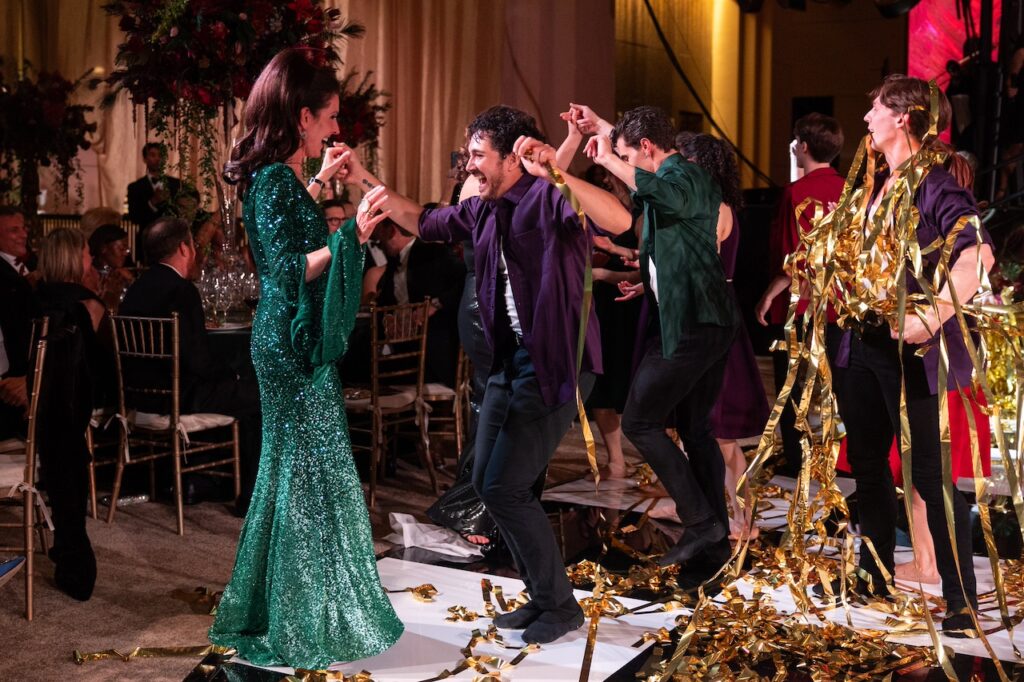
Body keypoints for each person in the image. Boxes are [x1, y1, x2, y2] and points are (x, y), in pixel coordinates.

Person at [341, 104, 601, 645]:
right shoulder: (482, 210)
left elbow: (588, 206)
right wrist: (361, 175)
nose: (468, 167)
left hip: (554, 363)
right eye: (468, 155)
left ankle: (558, 605)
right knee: (486, 481)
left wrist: (565, 151)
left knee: (505, 486)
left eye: (478, 156)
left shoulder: (547, 200)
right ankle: (545, 595)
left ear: (512, 158)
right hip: (509, 365)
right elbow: (422, 220)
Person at [207, 48, 402, 668]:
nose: (334, 130)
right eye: (328, 119)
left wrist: (321, 183)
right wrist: (354, 234)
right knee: (304, 472)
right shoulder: (268, 181)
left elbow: (294, 224)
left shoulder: (283, 180)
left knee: (298, 469)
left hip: (290, 340)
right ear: (300, 117)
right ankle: (294, 614)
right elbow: (286, 269)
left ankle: (287, 602)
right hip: (286, 346)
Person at [520, 105, 738, 579]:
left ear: (646, 149)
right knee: (696, 429)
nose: (619, 164)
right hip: (702, 319)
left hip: (695, 325)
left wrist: (605, 155)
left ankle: (700, 521)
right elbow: (643, 225)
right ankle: (714, 536)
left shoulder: (689, 175)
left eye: (626, 154)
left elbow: (657, 193)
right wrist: (572, 159)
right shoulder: (671, 183)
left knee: (641, 421)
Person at [822, 75, 993, 638]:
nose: (866, 117)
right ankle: (872, 574)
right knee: (867, 466)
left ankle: (961, 598)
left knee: (931, 476)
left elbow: (977, 254)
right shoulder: (875, 185)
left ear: (902, 117)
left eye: (874, 108)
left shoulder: (938, 186)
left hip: (914, 351)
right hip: (861, 344)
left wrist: (932, 315)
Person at [119, 218, 262, 510]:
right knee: (260, 396)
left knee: (241, 391)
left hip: (139, 395)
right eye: (194, 246)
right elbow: (196, 360)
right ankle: (252, 498)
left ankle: (207, 479)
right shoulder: (181, 290)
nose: (197, 252)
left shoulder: (137, 287)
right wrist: (232, 374)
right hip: (178, 396)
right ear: (184, 248)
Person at [680, 133, 770, 539]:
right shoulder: (710, 204)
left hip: (714, 314)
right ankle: (711, 507)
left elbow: (700, 265)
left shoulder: (715, 207)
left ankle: (743, 515)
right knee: (704, 425)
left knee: (721, 430)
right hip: (709, 310)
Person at [755, 113, 845, 477]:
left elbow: (790, 258)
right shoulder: (849, 192)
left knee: (793, 388)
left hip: (801, 304)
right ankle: (836, 459)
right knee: (833, 386)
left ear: (802, 146)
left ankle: (798, 462)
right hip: (839, 304)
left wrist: (768, 293)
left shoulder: (795, 193)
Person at [34, 228, 116, 601]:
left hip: (30, 414)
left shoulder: (28, 299)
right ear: (72, 258)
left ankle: (68, 548)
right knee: (70, 453)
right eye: (85, 253)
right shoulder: (88, 306)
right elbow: (104, 371)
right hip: (63, 417)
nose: (89, 259)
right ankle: (74, 557)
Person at [369, 218, 465, 385]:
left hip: (436, 352)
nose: (380, 245)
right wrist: (388, 320)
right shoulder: (392, 265)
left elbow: (466, 281)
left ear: (391, 231)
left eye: (381, 238)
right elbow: (385, 304)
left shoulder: (433, 253)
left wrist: (436, 304)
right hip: (404, 352)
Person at [0, 207, 37, 440]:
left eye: (23, 228)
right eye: (14, 230)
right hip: (13, 368)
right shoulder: (5, 279)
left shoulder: (31, 264)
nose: (23, 234)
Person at [127, 142, 182, 230]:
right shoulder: (135, 187)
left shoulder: (176, 184)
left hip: (172, 235)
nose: (157, 159)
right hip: (146, 238)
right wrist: (152, 202)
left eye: (161, 155)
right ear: (145, 159)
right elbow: (134, 218)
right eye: (153, 155)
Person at [88, 223, 135, 310]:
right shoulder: (90, 276)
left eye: (127, 249)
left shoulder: (123, 275)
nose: (126, 253)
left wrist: (131, 281)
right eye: (121, 248)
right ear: (103, 248)